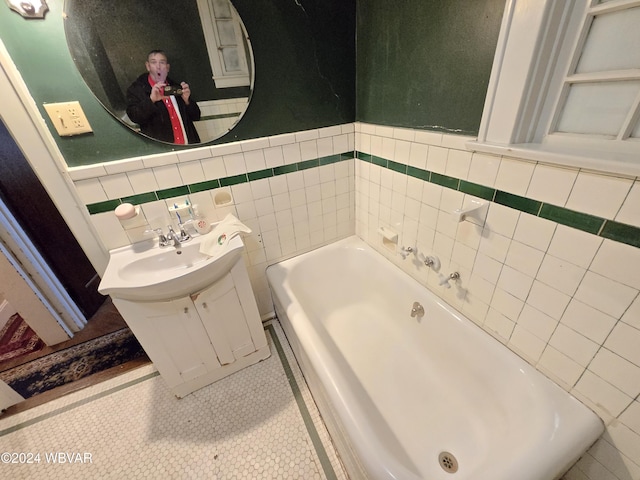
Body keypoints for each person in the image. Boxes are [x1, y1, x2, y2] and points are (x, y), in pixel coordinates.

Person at [126, 50, 201, 144]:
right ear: (148, 66)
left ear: (167, 67)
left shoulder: (176, 87)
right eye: (154, 62)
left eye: (162, 62)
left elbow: (196, 116)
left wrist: (187, 101)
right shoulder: (137, 90)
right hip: (162, 150)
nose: (158, 66)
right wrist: (151, 100)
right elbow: (135, 117)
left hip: (188, 147)